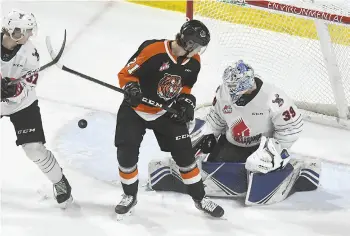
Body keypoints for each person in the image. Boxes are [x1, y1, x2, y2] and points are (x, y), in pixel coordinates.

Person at [147, 60, 321, 205]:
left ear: (246, 84)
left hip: (261, 146)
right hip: (232, 143)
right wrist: (210, 134)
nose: (229, 90)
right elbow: (218, 116)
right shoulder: (223, 92)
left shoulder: (273, 97)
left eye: (233, 86)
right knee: (193, 146)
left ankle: (294, 169)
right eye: (228, 85)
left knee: (256, 164)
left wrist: (275, 149)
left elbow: (292, 126)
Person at [114, 19, 224, 217]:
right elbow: (125, 73)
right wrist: (131, 87)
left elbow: (185, 87)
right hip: (135, 110)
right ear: (189, 44)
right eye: (197, 46)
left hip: (165, 111)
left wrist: (186, 102)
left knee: (185, 157)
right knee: (126, 155)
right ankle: (130, 196)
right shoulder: (153, 50)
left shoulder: (194, 62)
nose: (199, 51)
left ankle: (200, 199)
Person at [1, 9, 72, 206]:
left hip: (22, 105)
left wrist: (12, 91)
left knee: (34, 149)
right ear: (14, 31)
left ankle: (59, 181)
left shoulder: (30, 53)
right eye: (26, 31)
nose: (30, 35)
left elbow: (28, 86)